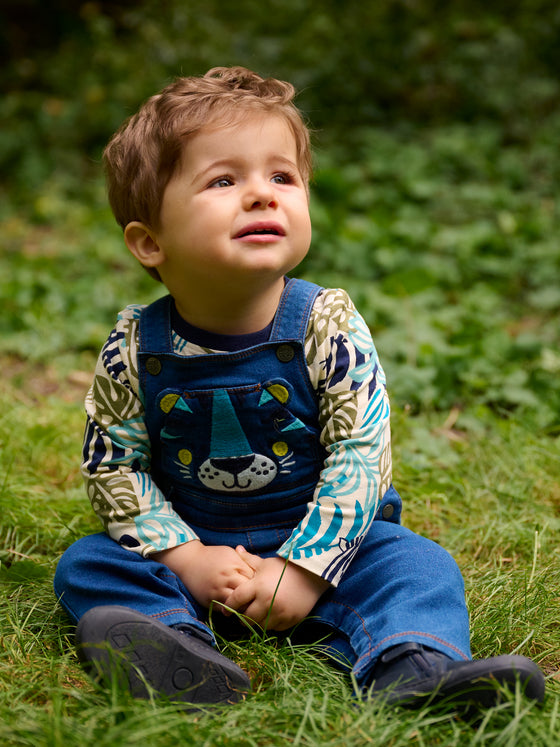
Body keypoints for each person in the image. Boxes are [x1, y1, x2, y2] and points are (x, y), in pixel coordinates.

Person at [54, 66, 545, 710]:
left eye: (282, 176)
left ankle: (413, 668)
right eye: (224, 180)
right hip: (196, 548)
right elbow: (114, 465)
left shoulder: (327, 324)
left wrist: (305, 567)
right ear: (150, 242)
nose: (262, 195)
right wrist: (186, 559)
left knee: (418, 566)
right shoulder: (134, 347)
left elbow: (360, 454)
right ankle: (175, 650)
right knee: (88, 565)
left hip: (330, 545)